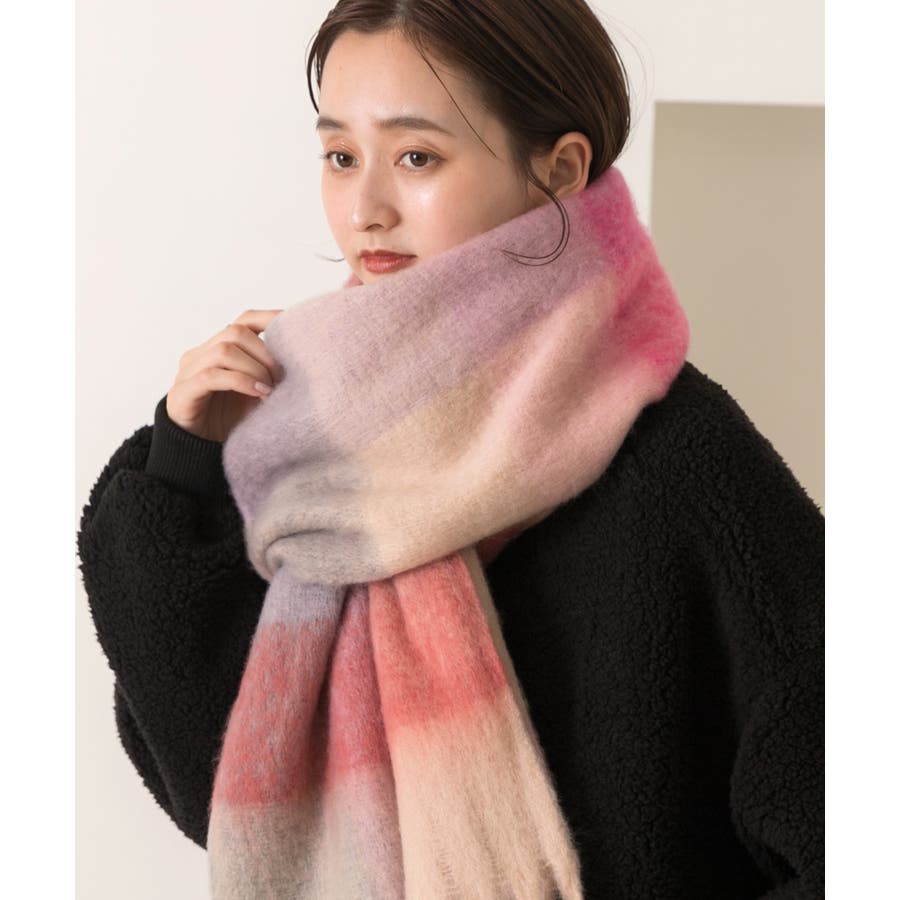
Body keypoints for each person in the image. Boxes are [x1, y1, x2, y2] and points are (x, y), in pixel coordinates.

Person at [77, 2, 824, 898]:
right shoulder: (313, 448)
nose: (365, 209)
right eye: (341, 156)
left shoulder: (678, 460)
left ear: (558, 170)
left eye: (416, 157)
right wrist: (185, 468)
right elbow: (218, 788)